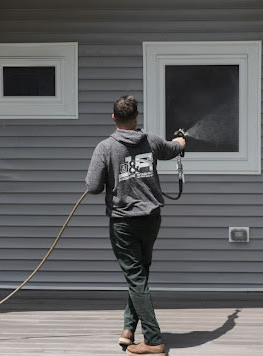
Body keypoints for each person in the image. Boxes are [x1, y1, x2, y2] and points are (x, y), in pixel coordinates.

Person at [86, 95, 185, 356]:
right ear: (136, 118)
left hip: (124, 223)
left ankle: (152, 340)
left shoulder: (105, 148)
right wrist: (180, 142)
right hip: (151, 219)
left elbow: (93, 187)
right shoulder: (150, 141)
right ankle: (129, 329)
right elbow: (173, 149)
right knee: (139, 275)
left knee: (136, 277)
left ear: (113, 118)